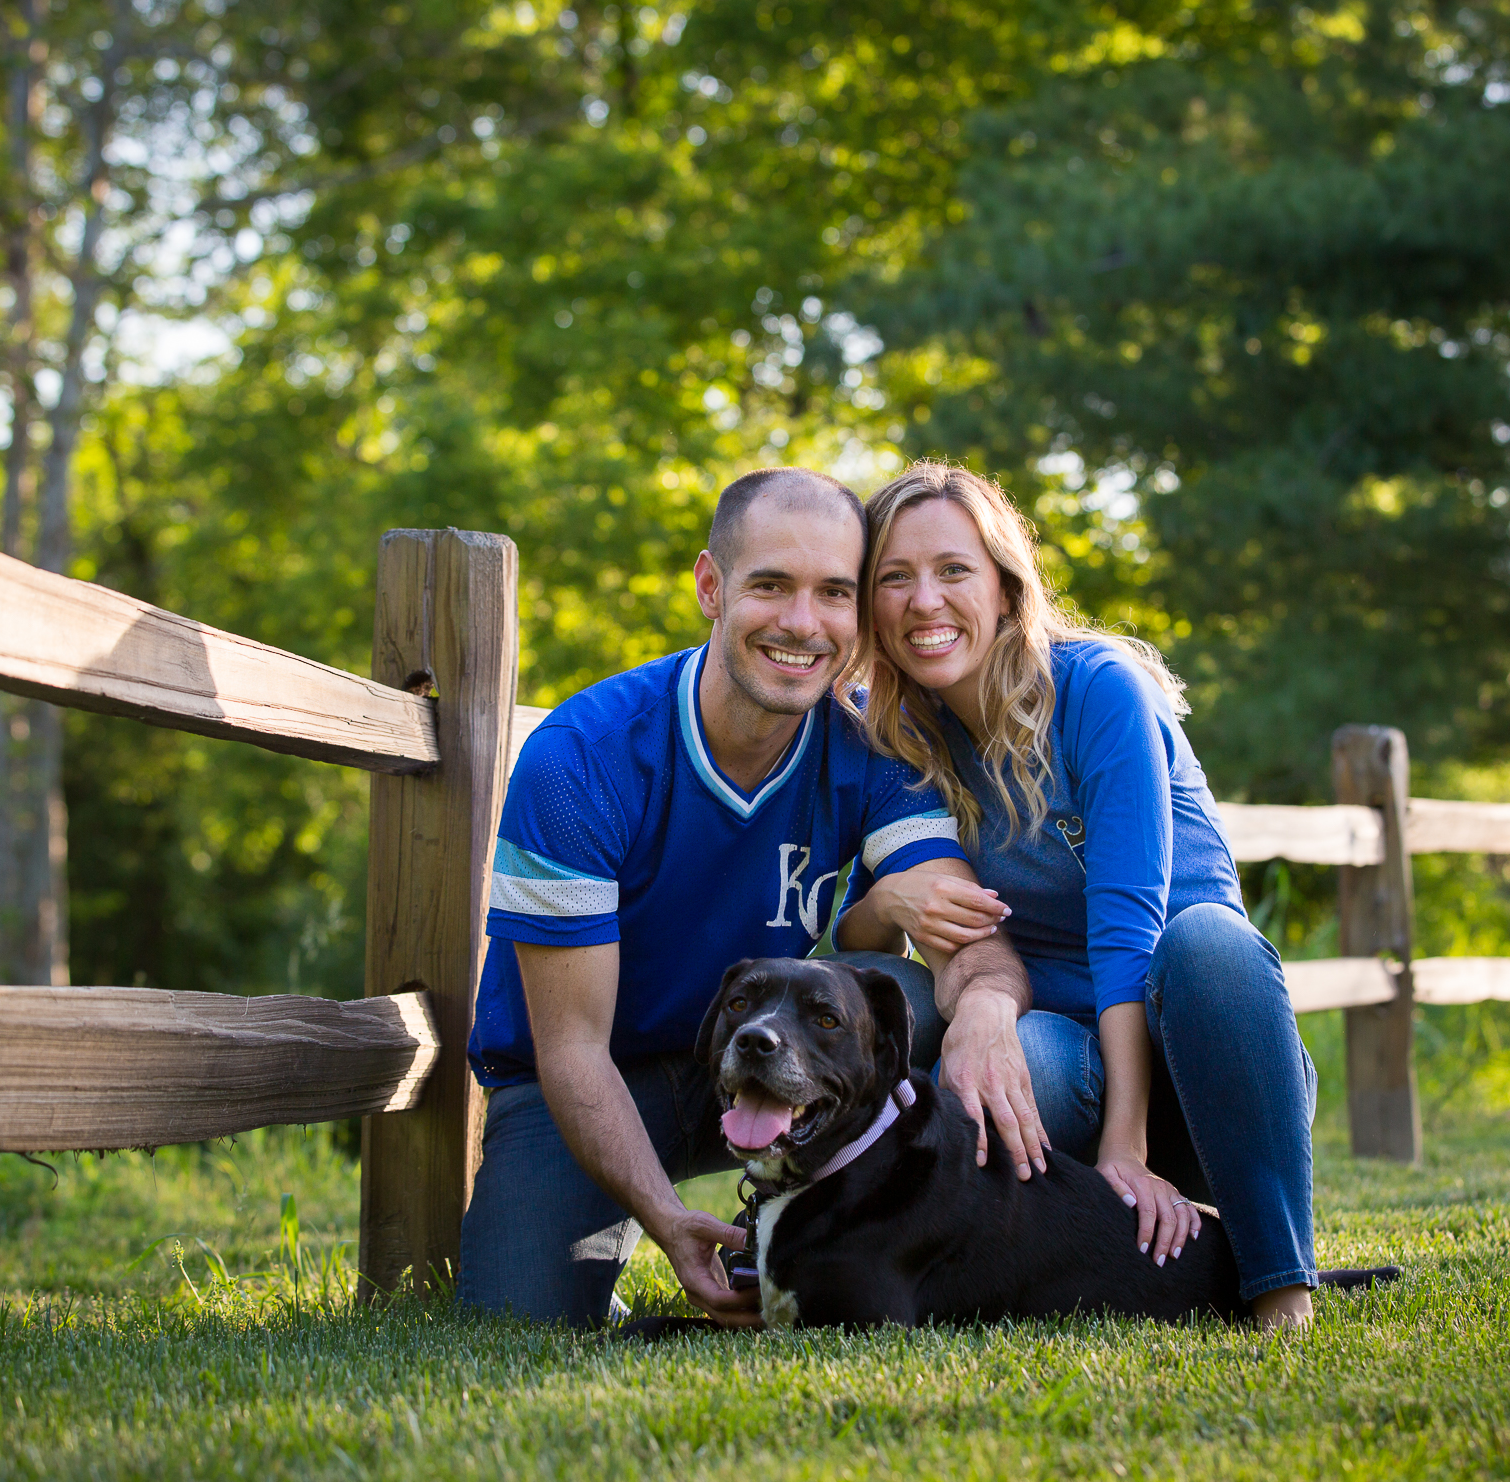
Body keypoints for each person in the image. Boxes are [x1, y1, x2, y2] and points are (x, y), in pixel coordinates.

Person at [460, 466, 1045, 1328]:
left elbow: (964, 925)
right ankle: (641, 1226)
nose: (803, 625)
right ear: (712, 586)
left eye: (834, 594)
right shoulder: (580, 758)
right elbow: (573, 1051)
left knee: (932, 1031)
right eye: (771, 585)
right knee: (521, 1318)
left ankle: (874, 1264)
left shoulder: (874, 747)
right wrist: (664, 1218)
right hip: (586, 1079)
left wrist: (991, 1005)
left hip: (776, 1064)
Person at [848, 461, 1322, 1330]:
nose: (925, 601)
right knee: (908, 1009)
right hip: (1062, 1059)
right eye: (894, 578)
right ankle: (930, 1265)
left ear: (1004, 583)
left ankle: (1279, 1287)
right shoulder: (894, 731)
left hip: (1208, 1064)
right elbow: (854, 933)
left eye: (953, 569)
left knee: (1206, 941)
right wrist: (892, 907)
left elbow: (1130, 935)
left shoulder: (1100, 688)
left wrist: (1127, 1150)